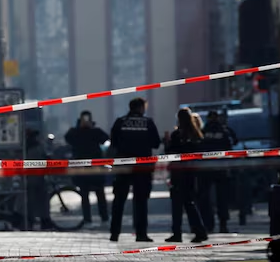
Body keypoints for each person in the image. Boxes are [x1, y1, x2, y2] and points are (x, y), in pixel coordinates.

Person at [107, 98, 161, 242]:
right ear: (141, 108)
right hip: (142, 167)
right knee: (141, 201)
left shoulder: (120, 122)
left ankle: (114, 233)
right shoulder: (148, 122)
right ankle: (141, 234)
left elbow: (113, 143)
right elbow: (156, 143)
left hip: (123, 165)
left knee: (119, 200)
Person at [164, 107, 211, 244]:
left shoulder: (176, 135)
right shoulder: (196, 134)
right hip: (191, 172)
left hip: (178, 172)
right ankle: (199, 231)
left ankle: (177, 233)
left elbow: (170, 152)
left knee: (177, 205)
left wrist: (166, 142)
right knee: (190, 203)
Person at [63, 110, 109, 226]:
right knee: (85, 194)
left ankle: (103, 217)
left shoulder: (94, 132)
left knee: (99, 194)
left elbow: (105, 138)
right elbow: (68, 137)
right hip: (84, 167)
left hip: (94, 167)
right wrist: (80, 127)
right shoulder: (77, 132)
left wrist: (90, 128)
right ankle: (88, 218)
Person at [199, 108, 236, 232]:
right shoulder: (224, 130)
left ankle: (208, 224)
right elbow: (233, 142)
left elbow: (198, 146)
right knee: (222, 198)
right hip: (221, 168)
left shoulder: (203, 131)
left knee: (205, 198)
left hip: (206, 169)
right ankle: (223, 224)